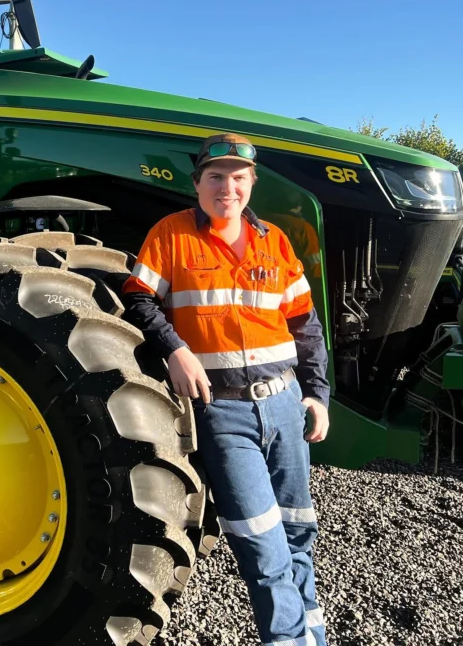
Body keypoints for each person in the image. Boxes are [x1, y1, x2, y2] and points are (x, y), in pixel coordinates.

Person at [122, 133, 330, 646]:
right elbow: (139, 299)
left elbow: (305, 324)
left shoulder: (275, 241)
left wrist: (318, 395)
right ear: (197, 183)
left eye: (239, 177)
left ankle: (312, 636)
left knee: (298, 533)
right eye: (216, 177)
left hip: (284, 406)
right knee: (263, 546)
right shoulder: (170, 235)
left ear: (251, 184)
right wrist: (176, 348)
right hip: (223, 413)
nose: (227, 187)